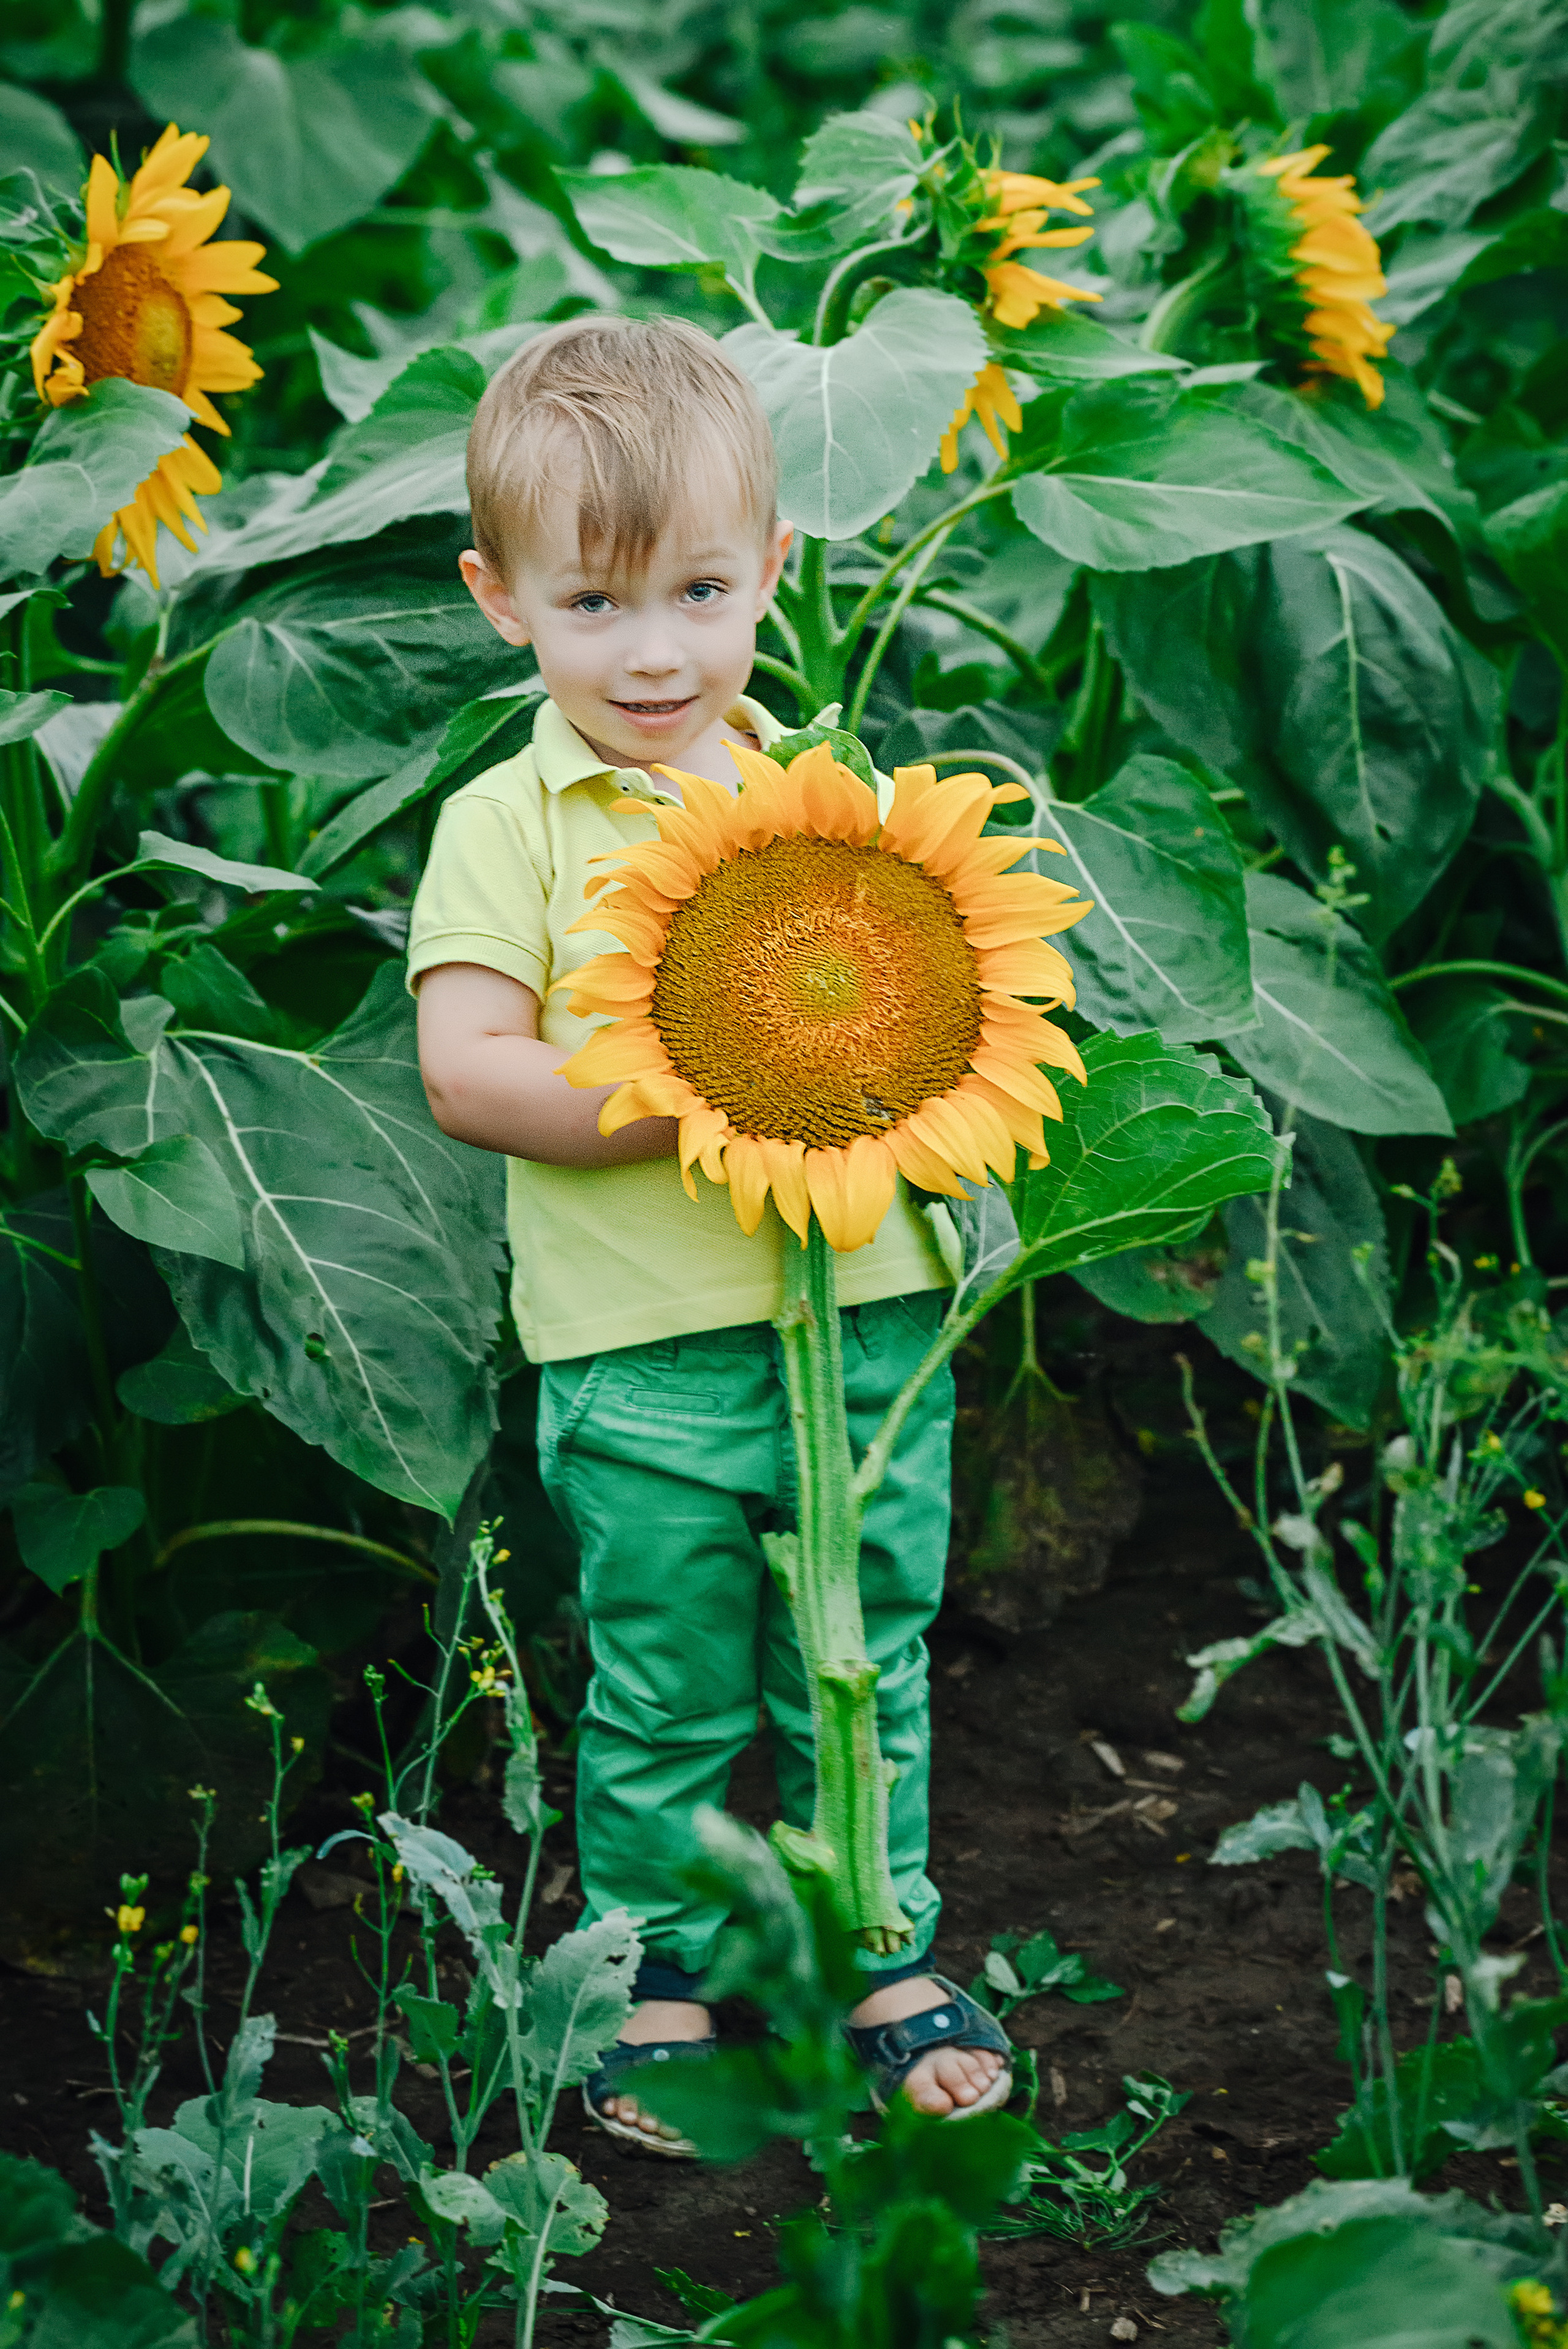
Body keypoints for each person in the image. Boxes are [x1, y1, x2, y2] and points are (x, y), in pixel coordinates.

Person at [409, 315, 1011, 2150]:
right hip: (643, 1345)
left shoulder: (831, 809)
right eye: (594, 604)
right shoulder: (506, 823)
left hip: (871, 1327)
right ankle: (656, 1961)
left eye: (698, 588)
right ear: (500, 600)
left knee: (865, 1640)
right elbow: (468, 1071)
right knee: (669, 1674)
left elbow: (941, 1013)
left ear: (776, 572)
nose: (656, 649)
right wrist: (691, 1074)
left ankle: (873, 1943)